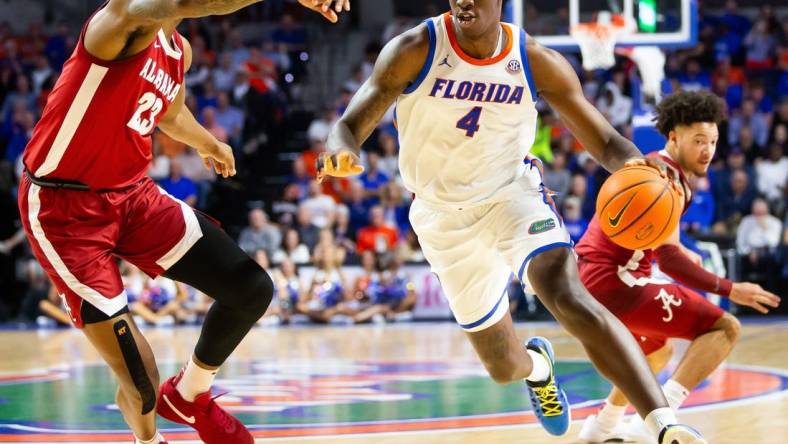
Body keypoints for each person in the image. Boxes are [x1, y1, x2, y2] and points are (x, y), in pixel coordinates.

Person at [317, 1, 704, 441]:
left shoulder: (536, 60)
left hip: (512, 195)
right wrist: (341, 151)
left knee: (565, 291)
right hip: (441, 217)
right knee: (503, 367)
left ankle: (663, 425)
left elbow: (608, 141)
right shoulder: (415, 47)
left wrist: (642, 170)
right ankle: (539, 367)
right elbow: (346, 126)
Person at [15, 1, 350, 444]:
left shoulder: (179, 50)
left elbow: (169, 114)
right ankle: (149, 440)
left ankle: (190, 393)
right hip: (64, 210)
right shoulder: (120, 21)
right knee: (142, 385)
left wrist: (209, 142)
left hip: (133, 196)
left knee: (250, 288)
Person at [575, 91, 780, 443]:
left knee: (657, 351)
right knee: (725, 327)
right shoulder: (663, 180)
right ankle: (658, 422)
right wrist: (731, 288)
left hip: (596, 274)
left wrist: (680, 245)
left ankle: (602, 427)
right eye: (699, 140)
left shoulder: (661, 169)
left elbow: (656, 238)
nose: (708, 150)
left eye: (713, 141)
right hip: (614, 278)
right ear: (673, 137)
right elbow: (668, 261)